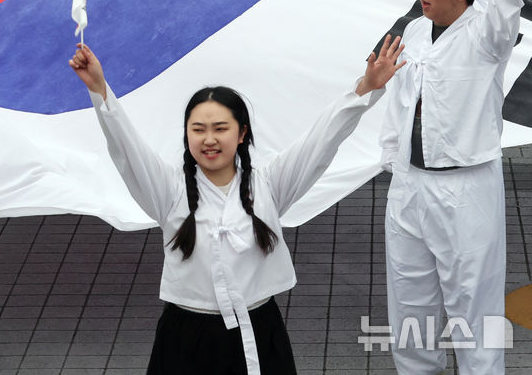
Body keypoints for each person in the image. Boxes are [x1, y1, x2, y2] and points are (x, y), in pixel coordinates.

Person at [69, 34, 405, 375]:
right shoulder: (168, 189)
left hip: (258, 333)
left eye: (220, 128)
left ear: (241, 133)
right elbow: (126, 148)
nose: (209, 139)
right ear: (187, 135)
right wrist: (99, 89)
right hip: (185, 339)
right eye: (198, 129)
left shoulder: (269, 182)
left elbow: (321, 140)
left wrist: (365, 89)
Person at [380, 0, 525, 375]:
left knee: (474, 311)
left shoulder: (487, 35)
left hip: (465, 190)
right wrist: (391, 163)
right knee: (409, 309)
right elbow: (398, 103)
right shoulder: (416, 31)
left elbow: (505, 0)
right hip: (409, 186)